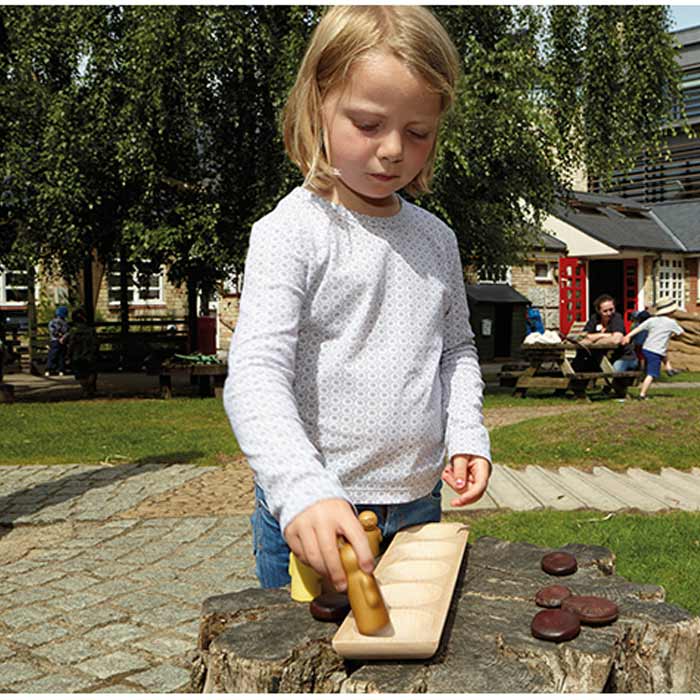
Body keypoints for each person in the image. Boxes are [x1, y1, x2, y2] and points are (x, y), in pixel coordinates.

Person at [224, 6, 491, 594]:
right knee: (303, 651)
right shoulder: (291, 232)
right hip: (318, 514)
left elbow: (456, 350)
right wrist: (301, 490)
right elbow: (255, 372)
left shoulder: (436, 239)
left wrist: (467, 433)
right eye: (368, 124)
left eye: (418, 132)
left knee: (415, 649)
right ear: (317, 103)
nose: (393, 150)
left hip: (419, 505)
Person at [623, 298, 684, 400]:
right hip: (656, 351)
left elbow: (639, 328)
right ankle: (642, 394)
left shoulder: (651, 320)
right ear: (671, 311)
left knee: (664, 353)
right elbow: (681, 333)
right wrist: (671, 334)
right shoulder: (671, 323)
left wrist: (628, 336)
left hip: (647, 348)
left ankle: (669, 369)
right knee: (652, 374)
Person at [573, 294, 637, 372]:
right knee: (582, 365)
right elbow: (585, 337)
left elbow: (616, 340)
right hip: (603, 356)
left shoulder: (616, 317)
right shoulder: (594, 318)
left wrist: (594, 340)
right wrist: (607, 335)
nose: (609, 313)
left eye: (611, 309)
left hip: (624, 357)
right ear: (599, 311)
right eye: (605, 311)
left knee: (614, 372)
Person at [67, 307, 98, 398]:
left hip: (77, 356)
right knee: (91, 372)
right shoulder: (91, 330)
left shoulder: (73, 331)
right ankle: (89, 388)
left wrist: (68, 355)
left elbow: (71, 344)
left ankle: (86, 389)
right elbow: (95, 343)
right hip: (89, 355)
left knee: (80, 375)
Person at [46, 305, 69, 377]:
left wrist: (59, 336)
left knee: (53, 355)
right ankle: (60, 369)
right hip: (61, 341)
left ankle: (50, 369)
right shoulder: (64, 323)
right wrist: (62, 337)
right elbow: (67, 332)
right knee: (61, 356)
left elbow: (52, 331)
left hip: (54, 341)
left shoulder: (52, 322)